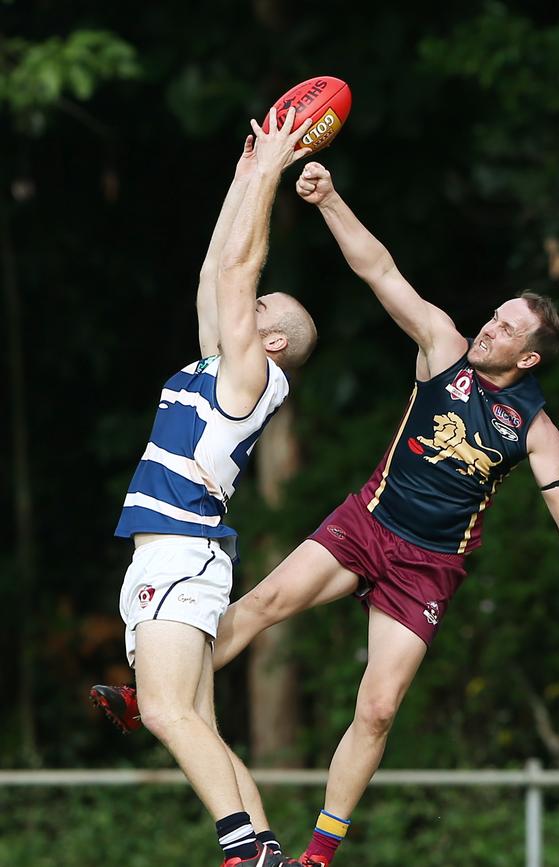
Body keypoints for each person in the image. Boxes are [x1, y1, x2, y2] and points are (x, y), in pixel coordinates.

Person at [92, 161, 559, 866]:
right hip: (368, 520)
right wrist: (331, 200)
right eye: (494, 315)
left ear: (528, 355)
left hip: (429, 564)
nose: (490, 327)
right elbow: (381, 270)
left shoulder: (535, 425)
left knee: (376, 709)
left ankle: (317, 851)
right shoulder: (444, 348)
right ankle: (154, 695)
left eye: (506, 327)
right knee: (259, 603)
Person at [94, 109, 318, 867]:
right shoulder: (214, 370)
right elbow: (211, 271)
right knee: (197, 722)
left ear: (274, 340)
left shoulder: (249, 375)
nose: (238, 311)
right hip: (177, 557)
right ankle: (269, 855)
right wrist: (243, 177)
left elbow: (234, 272)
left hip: (181, 555)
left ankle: (241, 850)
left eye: (255, 313)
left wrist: (273, 176)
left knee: (161, 710)